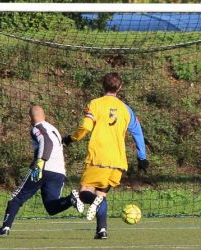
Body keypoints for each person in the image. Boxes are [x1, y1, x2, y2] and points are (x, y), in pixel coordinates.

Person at [63, 72, 149, 240]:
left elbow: (86, 127)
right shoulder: (126, 110)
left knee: (83, 193)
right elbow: (138, 132)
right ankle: (101, 230)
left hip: (98, 158)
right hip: (118, 162)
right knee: (100, 196)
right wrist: (142, 157)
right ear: (120, 87)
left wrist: (70, 139)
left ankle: (85, 205)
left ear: (102, 86)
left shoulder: (95, 104)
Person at [0, 105, 84, 236]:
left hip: (43, 168)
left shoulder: (37, 128)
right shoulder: (54, 129)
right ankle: (70, 200)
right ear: (44, 115)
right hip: (58, 172)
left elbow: (47, 142)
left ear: (30, 118)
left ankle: (5, 228)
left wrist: (41, 162)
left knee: (16, 198)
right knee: (51, 207)